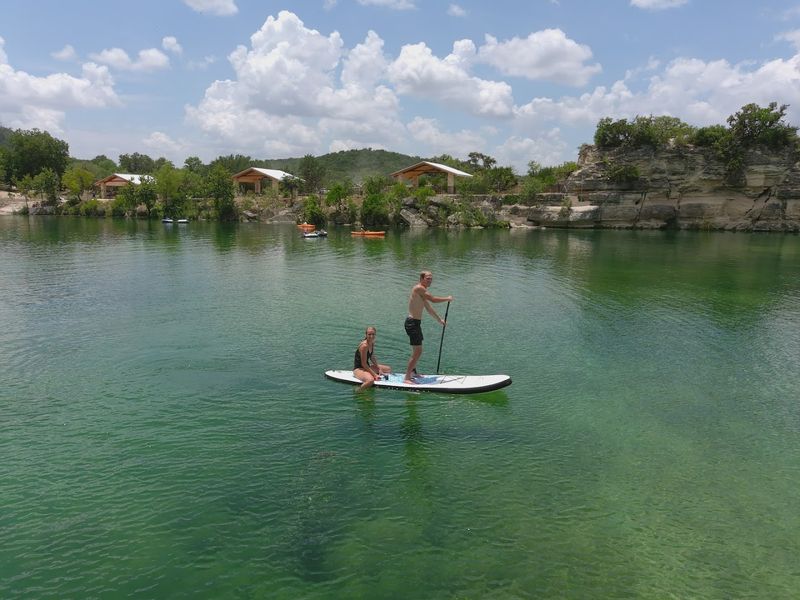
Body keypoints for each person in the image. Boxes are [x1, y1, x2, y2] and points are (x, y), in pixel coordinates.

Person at [404, 271, 453, 383]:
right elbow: (433, 299)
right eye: (427, 278)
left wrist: (439, 320)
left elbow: (429, 308)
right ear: (421, 279)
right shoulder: (419, 288)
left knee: (417, 350)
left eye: (431, 278)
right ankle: (407, 377)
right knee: (418, 351)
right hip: (412, 323)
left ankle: (413, 372)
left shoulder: (422, 292)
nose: (430, 280)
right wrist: (447, 298)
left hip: (415, 323)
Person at [353, 326, 392, 390]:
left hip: (366, 367)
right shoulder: (364, 346)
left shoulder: (371, 343)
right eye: (369, 334)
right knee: (370, 381)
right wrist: (375, 375)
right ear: (366, 334)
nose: (371, 336)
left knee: (388, 369)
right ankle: (358, 392)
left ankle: (370, 374)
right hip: (359, 369)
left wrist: (378, 368)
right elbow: (363, 364)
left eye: (373, 334)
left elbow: (372, 357)